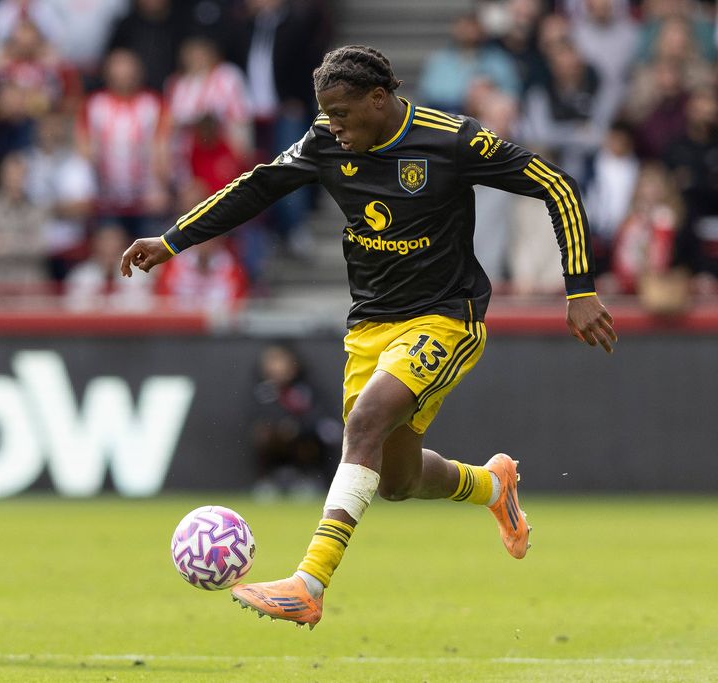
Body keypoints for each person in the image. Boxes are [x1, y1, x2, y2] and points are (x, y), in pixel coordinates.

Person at [120, 46, 617, 628]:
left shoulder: (451, 140)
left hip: (444, 317)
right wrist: (173, 240)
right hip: (369, 325)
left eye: (343, 113)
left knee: (364, 424)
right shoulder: (325, 143)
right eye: (326, 114)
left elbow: (555, 184)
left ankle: (309, 583)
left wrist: (579, 288)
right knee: (398, 481)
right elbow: (258, 187)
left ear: (379, 100)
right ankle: (491, 485)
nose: (333, 127)